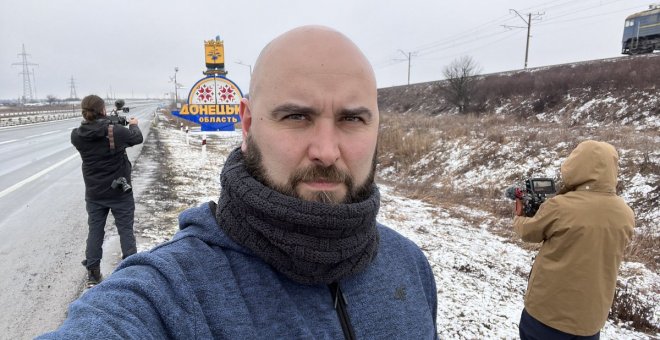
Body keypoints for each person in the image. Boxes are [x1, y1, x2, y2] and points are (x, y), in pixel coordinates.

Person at [39, 26, 438, 339]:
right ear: (247, 124)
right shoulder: (173, 294)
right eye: (296, 117)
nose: (326, 151)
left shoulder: (409, 266)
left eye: (352, 119)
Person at [513, 140, 634, 339]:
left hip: (547, 315)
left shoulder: (560, 206)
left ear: (575, 165)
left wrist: (519, 216)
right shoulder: (626, 213)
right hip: (590, 321)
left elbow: (528, 232)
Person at [70, 95, 143, 287]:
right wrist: (133, 124)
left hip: (94, 193)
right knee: (125, 230)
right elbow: (137, 137)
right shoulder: (116, 131)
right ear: (102, 110)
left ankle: (93, 272)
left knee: (95, 231)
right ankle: (130, 270)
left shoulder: (76, 135)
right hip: (119, 190)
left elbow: (95, 135)